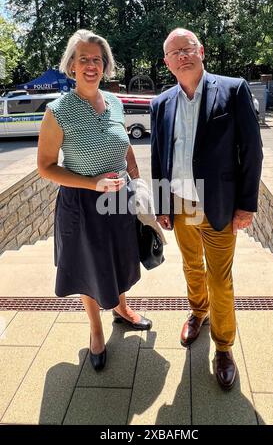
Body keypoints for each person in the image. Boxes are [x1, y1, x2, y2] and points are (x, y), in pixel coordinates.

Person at [151, 28, 263, 390]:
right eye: (174, 52)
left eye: (187, 48)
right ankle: (198, 312)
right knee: (190, 267)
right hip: (181, 205)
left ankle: (224, 346)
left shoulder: (232, 89)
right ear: (167, 63)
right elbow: (158, 157)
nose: (182, 55)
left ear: (201, 51)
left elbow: (252, 151)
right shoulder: (161, 103)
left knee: (220, 278)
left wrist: (246, 206)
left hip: (218, 205)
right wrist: (163, 203)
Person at [37, 29, 152, 372]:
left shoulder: (115, 101)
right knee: (89, 266)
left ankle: (121, 309)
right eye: (83, 59)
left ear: (105, 66)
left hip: (119, 201)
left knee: (119, 259)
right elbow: (45, 167)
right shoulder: (57, 111)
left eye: (97, 60)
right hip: (83, 205)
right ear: (71, 66)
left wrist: (137, 176)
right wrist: (92, 183)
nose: (91, 65)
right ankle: (96, 330)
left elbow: (125, 145)